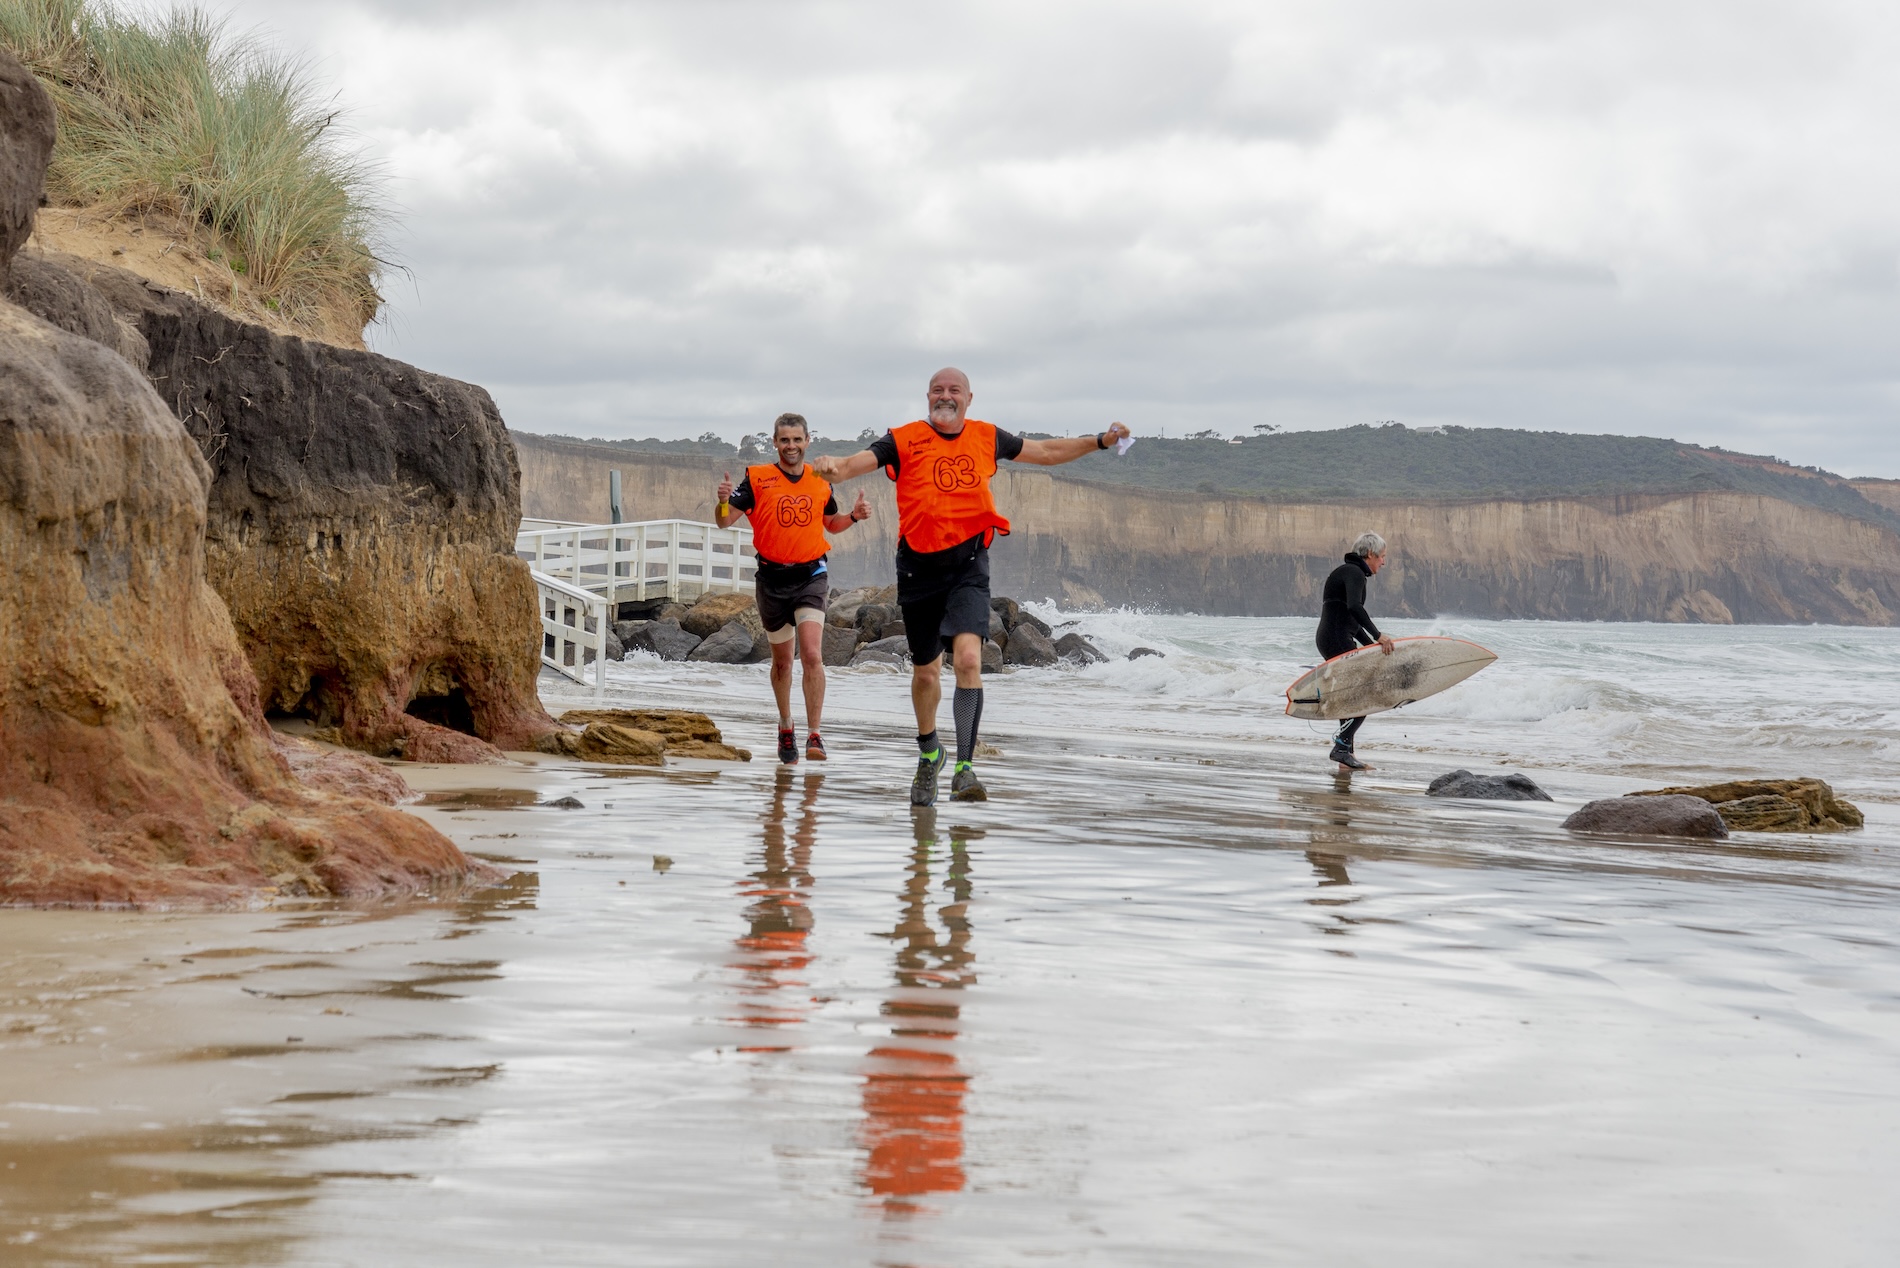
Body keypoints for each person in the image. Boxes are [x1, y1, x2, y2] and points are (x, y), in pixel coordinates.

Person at [811, 368, 1130, 805]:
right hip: (917, 569)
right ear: (928, 397)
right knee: (925, 672)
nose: (946, 396)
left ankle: (964, 767)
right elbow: (852, 465)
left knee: (966, 661)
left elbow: (1048, 452)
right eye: (938, 391)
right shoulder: (902, 439)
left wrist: (1099, 441)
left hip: (968, 565)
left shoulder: (986, 437)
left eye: (954, 391)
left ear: (968, 398)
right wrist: (833, 468)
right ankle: (929, 754)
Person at [716, 413, 871, 764]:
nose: (791, 446)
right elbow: (724, 521)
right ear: (775, 442)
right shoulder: (757, 479)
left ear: (807, 441)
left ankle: (815, 734)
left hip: (811, 576)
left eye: (797, 440)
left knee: (813, 655)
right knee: (783, 664)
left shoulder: (820, 481)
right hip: (771, 580)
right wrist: (724, 500)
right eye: (784, 440)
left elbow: (831, 523)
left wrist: (855, 517)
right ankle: (786, 726)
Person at [1315, 531, 1396, 771]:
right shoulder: (1354, 573)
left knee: (1351, 698)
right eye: (1382, 556)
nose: (1383, 561)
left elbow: (1350, 617)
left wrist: (1370, 646)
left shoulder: (1349, 572)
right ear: (1370, 554)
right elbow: (1354, 607)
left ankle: (1346, 756)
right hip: (1336, 637)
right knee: (1362, 697)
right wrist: (1377, 635)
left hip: (1334, 636)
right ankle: (1341, 749)